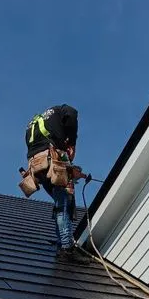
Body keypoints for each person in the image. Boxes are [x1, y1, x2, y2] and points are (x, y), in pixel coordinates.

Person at [19, 105, 89, 262]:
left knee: (61, 202)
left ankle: (62, 241)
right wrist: (71, 142)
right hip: (52, 159)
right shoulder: (61, 110)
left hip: (36, 165)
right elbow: (72, 112)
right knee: (64, 201)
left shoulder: (36, 121)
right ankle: (66, 248)